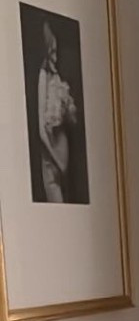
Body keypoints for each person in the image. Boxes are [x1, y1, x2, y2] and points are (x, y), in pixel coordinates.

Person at [36, 20, 76, 203]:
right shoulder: (43, 77)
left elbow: (68, 120)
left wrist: (68, 109)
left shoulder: (57, 77)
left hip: (63, 161)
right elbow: (41, 132)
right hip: (52, 162)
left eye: (56, 52)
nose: (55, 58)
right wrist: (58, 162)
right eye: (52, 52)